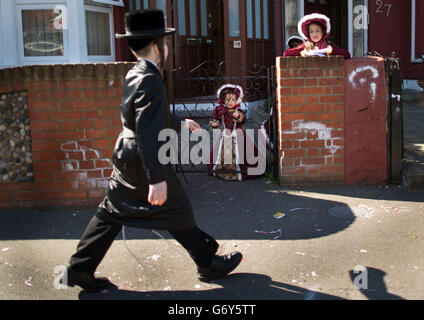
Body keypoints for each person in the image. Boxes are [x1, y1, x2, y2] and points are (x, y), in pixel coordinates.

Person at [59, 10, 242, 293]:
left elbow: (143, 117)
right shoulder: (151, 78)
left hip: (126, 153)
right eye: (165, 43)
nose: (167, 48)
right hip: (143, 157)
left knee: (111, 211)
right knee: (177, 208)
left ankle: (79, 269)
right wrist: (156, 178)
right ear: (158, 45)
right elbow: (147, 129)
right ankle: (207, 264)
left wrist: (182, 123)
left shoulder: (136, 72)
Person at [207, 84, 252, 181]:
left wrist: (238, 116)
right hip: (225, 135)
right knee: (222, 153)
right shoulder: (221, 110)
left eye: (232, 100)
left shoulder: (238, 110)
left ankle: (237, 170)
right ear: (223, 100)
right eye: (227, 100)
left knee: (240, 153)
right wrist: (215, 124)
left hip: (237, 134)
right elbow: (217, 121)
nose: (230, 102)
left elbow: (243, 120)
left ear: (236, 100)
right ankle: (223, 169)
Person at [283, 13, 351, 59]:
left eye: (317, 31)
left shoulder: (328, 46)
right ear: (308, 34)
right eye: (311, 32)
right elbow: (286, 53)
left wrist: (330, 51)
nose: (314, 34)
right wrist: (302, 53)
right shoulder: (306, 46)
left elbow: (347, 54)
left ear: (323, 32)